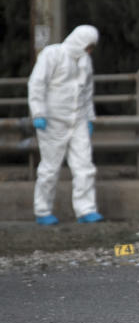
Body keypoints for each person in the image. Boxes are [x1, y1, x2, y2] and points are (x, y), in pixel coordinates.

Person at [27, 25, 103, 225]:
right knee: (50, 168)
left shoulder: (85, 62)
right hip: (52, 122)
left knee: (84, 165)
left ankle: (86, 209)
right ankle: (42, 211)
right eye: (88, 46)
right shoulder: (52, 54)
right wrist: (38, 113)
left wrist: (89, 118)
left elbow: (87, 92)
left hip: (77, 120)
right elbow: (37, 83)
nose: (89, 51)